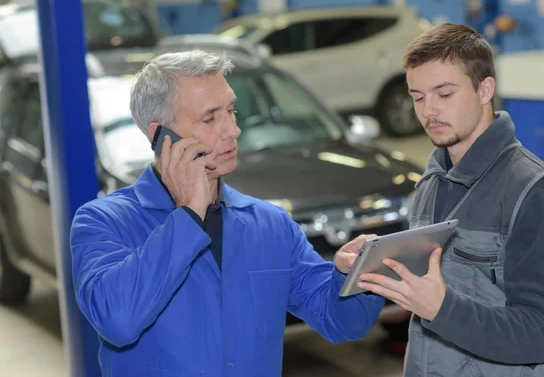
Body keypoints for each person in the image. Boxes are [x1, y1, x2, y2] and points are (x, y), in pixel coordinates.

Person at [70, 50, 385, 376]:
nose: (233, 130)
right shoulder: (103, 222)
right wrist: (189, 213)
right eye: (210, 118)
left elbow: (340, 321)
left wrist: (358, 276)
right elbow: (117, 320)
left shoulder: (268, 224)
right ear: (160, 135)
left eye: (231, 111)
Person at [358, 23, 544, 376]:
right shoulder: (431, 180)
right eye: (417, 97)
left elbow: (542, 333)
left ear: (485, 88)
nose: (428, 112)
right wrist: (373, 265)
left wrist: (443, 309)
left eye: (444, 94)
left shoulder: (535, 191)